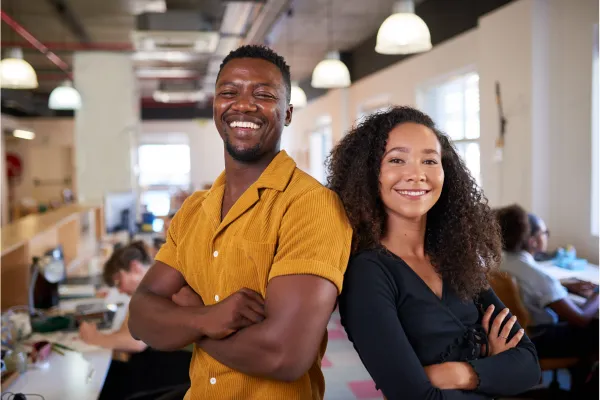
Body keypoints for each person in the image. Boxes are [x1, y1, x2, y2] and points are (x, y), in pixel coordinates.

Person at [128, 45, 352, 400]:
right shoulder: (194, 210)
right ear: (215, 106)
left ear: (288, 113)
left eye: (263, 95)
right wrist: (206, 318)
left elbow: (283, 355)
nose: (243, 105)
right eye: (229, 92)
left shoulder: (311, 206)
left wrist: (186, 317)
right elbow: (140, 315)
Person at [327, 106, 541, 399]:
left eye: (429, 160)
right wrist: (491, 367)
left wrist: (457, 373)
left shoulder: (455, 258)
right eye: (397, 160)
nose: (416, 174)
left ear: (445, 171)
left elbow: (529, 365)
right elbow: (415, 395)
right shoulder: (367, 273)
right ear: (369, 173)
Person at [495, 204, 598, 391]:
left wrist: (563, 287)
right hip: (538, 340)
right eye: (545, 232)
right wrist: (598, 293)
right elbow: (580, 319)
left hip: (511, 337)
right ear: (533, 240)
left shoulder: (501, 263)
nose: (546, 236)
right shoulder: (538, 275)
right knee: (594, 329)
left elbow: (526, 288)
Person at [81, 241, 193, 400]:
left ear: (134, 267)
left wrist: (95, 338)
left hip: (180, 365)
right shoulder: (145, 293)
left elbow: (136, 343)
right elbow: (127, 330)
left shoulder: (159, 289)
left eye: (119, 282)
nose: (120, 290)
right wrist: (107, 338)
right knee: (111, 375)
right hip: (164, 358)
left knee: (109, 388)